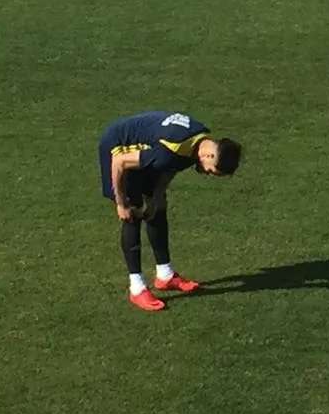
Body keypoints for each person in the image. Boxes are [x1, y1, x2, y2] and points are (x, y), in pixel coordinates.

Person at [96, 110, 242, 312]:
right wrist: (121, 203)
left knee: (157, 208)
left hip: (146, 148)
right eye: (212, 170)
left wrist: (157, 196)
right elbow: (120, 162)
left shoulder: (198, 142)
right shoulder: (168, 151)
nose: (208, 173)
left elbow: (171, 167)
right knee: (133, 212)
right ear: (209, 155)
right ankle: (137, 288)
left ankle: (165, 275)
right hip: (117, 148)